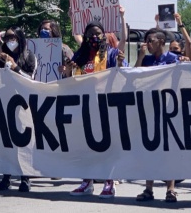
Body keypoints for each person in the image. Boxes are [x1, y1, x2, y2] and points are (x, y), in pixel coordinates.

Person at [63, 21, 126, 198]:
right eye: (90, 33)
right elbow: (69, 79)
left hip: (105, 105)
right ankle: (86, 181)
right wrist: (68, 70)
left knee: (107, 145)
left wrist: (120, 64)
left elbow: (120, 75)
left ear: (104, 35)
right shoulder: (80, 55)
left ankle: (109, 182)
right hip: (83, 106)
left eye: (98, 33)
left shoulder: (112, 54)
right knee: (84, 146)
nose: (94, 37)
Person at [134, 28, 180, 203]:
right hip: (149, 109)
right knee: (149, 150)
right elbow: (134, 76)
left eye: (150, 40)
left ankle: (171, 189)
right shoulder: (146, 60)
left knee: (168, 152)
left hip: (168, 110)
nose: (148, 44)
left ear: (161, 42)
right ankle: (148, 189)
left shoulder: (173, 59)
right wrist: (140, 56)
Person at [0, 26, 37, 192]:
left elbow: (30, 79)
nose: (10, 41)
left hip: (23, 104)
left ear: (20, 38)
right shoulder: (3, 55)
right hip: (4, 101)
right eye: (7, 38)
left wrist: (14, 67)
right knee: (6, 141)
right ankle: (6, 176)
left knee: (22, 141)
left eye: (13, 37)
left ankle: (25, 178)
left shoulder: (29, 56)